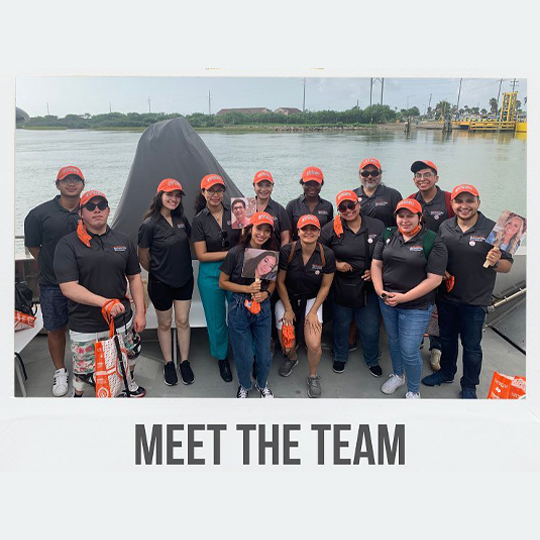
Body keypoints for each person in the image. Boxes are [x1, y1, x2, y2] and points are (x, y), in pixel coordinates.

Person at [422, 184, 513, 399]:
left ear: (478, 203)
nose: (464, 206)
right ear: (452, 204)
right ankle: (446, 373)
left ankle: (470, 385)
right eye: (459, 201)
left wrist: (495, 261)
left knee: (472, 347)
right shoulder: (445, 226)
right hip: (446, 296)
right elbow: (439, 255)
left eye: (469, 201)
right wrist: (441, 270)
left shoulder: (494, 229)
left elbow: (507, 266)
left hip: (475, 299)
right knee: (447, 340)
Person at [54, 190, 147, 397]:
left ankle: (128, 382)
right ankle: (77, 395)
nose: (96, 210)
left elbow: (134, 278)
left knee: (131, 353)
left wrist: (140, 312)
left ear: (108, 210)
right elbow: (68, 287)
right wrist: (105, 303)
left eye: (101, 205)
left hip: (123, 317)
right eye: (90, 206)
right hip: (85, 323)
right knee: (84, 371)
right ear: (81, 213)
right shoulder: (67, 245)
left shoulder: (123, 240)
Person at [371, 198, 448, 399]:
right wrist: (381, 292)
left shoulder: (432, 240)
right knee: (394, 342)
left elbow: (434, 280)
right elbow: (376, 264)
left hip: (416, 306)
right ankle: (398, 375)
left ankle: (413, 391)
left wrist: (404, 298)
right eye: (401, 216)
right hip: (388, 301)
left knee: (409, 349)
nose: (405, 220)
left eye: (410, 216)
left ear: (420, 217)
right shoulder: (388, 234)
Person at [24, 165, 85, 396]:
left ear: (83, 184)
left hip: (87, 282)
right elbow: (33, 246)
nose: (71, 183)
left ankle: (87, 369)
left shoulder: (91, 208)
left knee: (88, 328)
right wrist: (54, 264)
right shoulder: (38, 214)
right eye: (66, 180)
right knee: (55, 328)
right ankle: (60, 371)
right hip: (52, 283)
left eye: (76, 180)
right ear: (57, 184)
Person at [320, 190, 385, 377]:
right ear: (338, 209)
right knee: (341, 324)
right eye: (343, 207)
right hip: (342, 285)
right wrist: (336, 264)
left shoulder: (377, 225)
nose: (348, 210)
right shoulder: (331, 228)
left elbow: (388, 252)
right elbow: (320, 251)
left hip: (368, 285)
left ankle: (371, 358)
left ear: (359, 205)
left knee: (371, 326)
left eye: (351, 205)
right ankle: (340, 356)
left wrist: (375, 271)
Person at [138, 178, 194, 387]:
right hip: (160, 282)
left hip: (184, 279)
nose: (174, 199)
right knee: (164, 323)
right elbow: (143, 256)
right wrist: (160, 271)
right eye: (169, 194)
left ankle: (185, 362)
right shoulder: (149, 224)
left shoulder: (182, 220)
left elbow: (188, 243)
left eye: (177, 195)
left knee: (182, 321)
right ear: (160, 196)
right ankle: (169, 363)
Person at [275, 214, 335, 397]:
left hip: (312, 300)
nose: (309, 232)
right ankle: (292, 358)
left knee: (315, 344)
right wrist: (288, 309)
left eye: (313, 229)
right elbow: (280, 282)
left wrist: (314, 311)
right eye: (304, 229)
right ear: (298, 231)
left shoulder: (327, 254)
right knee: (287, 345)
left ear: (319, 232)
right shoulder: (288, 251)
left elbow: (326, 286)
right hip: (288, 299)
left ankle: (313, 374)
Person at [219, 212, 278, 398]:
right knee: (243, 353)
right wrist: (247, 289)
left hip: (263, 307)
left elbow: (274, 282)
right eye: (259, 228)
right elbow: (223, 282)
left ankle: (262, 384)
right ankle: (244, 385)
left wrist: (266, 293)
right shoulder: (235, 253)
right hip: (239, 306)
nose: (262, 234)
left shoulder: (271, 254)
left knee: (264, 353)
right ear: (250, 229)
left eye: (267, 231)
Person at [192, 174, 241, 382]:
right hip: (210, 274)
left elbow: (248, 239)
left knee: (240, 315)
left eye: (219, 190)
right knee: (216, 319)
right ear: (203, 193)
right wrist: (233, 252)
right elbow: (202, 255)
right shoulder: (198, 220)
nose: (215, 194)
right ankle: (222, 358)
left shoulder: (238, 212)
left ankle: (246, 354)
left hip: (235, 271)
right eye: (210, 190)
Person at [408, 159, 455, 371]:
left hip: (444, 268)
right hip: (416, 265)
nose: (422, 179)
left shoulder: (448, 200)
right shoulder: (410, 200)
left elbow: (461, 226)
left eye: (427, 174)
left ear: (436, 177)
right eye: (418, 176)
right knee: (417, 304)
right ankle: (416, 341)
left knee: (439, 309)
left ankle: (436, 349)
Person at [286, 166, 334, 239]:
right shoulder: (292, 205)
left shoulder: (328, 206)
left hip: (321, 248)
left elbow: (329, 232)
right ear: (302, 184)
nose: (312, 187)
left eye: (316, 184)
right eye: (308, 184)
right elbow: (287, 233)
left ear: (321, 185)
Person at [353, 158, 402, 227]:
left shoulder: (393, 195)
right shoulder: (352, 195)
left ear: (380, 174)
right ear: (359, 175)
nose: (370, 177)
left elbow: (403, 220)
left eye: (374, 173)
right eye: (365, 174)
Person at [252, 170, 291, 246]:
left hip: (273, 255)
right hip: (249, 255)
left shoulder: (280, 210)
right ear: (254, 186)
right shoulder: (246, 207)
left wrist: (281, 256)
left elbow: (285, 239)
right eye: (260, 185)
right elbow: (241, 235)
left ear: (272, 186)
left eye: (267, 185)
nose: (263, 189)